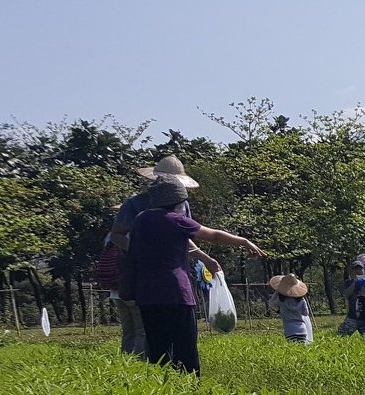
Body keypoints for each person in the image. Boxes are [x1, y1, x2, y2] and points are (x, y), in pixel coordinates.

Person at [125, 176, 263, 374]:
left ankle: (161, 388)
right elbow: (213, 235)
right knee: (185, 346)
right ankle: (190, 388)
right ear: (179, 201)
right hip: (175, 293)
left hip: (147, 294)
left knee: (158, 348)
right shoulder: (177, 220)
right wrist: (243, 241)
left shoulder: (141, 219)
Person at [106, 154, 202, 358]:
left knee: (185, 338)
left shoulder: (182, 203)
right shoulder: (135, 204)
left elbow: (184, 234)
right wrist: (141, 250)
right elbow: (117, 234)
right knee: (153, 334)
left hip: (177, 276)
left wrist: (204, 257)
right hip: (147, 277)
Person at [269, 274, 313, 343]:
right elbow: (305, 313)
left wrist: (277, 291)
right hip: (302, 328)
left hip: (290, 329)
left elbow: (271, 303)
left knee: (293, 349)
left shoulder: (282, 301)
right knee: (302, 350)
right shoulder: (302, 300)